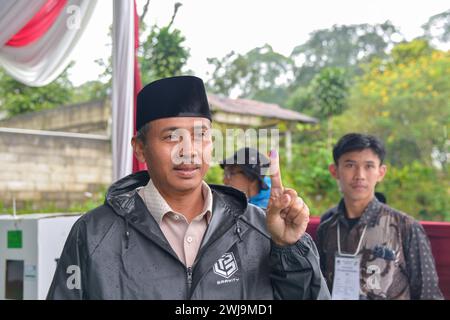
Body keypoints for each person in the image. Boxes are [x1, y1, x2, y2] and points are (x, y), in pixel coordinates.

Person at [47, 75, 330, 300]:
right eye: (172, 137)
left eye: (200, 135)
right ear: (140, 149)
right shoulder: (94, 233)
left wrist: (288, 248)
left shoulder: (260, 229)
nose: (189, 151)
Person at [316, 133, 443, 300]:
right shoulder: (327, 227)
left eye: (369, 166)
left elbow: (429, 294)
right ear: (335, 171)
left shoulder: (405, 227)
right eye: (350, 165)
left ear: (381, 172)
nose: (359, 175)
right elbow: (317, 286)